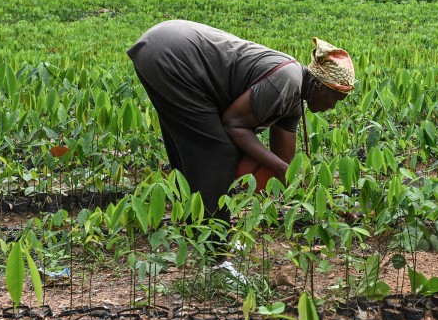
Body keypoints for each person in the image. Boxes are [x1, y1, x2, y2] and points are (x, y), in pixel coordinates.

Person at [128, 20, 355, 226]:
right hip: (172, 57)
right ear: (320, 86)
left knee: (191, 147)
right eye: (336, 98)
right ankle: (214, 242)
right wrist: (281, 169)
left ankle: (195, 223)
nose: (332, 106)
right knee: (219, 151)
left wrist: (321, 200)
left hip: (162, 46)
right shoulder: (287, 80)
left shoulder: (294, 99)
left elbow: (285, 165)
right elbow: (233, 125)